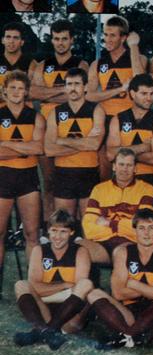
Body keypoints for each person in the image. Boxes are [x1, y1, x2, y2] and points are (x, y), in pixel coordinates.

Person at [87, 209, 153, 349]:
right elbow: (118, 293)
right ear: (134, 231)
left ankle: (125, 335)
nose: (146, 233)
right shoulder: (123, 252)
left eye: (151, 228)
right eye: (141, 228)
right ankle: (132, 336)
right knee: (94, 293)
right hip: (127, 311)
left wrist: (133, 283)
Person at [32, 20, 90, 220]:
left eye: (64, 39)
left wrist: (48, 94)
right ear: (52, 40)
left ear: (72, 40)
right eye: (56, 39)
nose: (60, 43)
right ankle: (50, 227)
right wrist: (66, 90)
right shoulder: (42, 65)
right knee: (49, 181)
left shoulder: (81, 64)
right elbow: (33, 92)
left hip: (74, 127)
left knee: (75, 181)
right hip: (48, 128)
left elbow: (81, 94)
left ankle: (78, 230)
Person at [13, 210, 93, 350]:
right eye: (54, 231)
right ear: (48, 232)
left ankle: (43, 331)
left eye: (63, 231)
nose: (57, 236)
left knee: (86, 285)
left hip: (69, 315)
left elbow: (80, 288)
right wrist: (64, 285)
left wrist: (43, 292)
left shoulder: (80, 252)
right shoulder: (39, 250)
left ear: (72, 233)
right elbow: (34, 286)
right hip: (46, 311)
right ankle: (45, 330)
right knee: (21, 284)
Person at [0, 71, 45, 296]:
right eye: (13, 88)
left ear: (27, 92)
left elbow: (38, 148)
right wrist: (24, 147)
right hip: (3, 178)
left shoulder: (35, 116)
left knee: (32, 234)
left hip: (28, 179)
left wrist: (7, 144)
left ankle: (34, 286)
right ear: (4, 90)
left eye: (21, 88)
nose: (17, 92)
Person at [86, 16, 146, 180]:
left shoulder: (138, 59)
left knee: (132, 166)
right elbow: (89, 95)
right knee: (104, 166)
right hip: (106, 119)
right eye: (105, 34)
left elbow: (141, 80)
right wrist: (118, 90)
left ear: (124, 37)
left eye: (112, 35)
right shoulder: (97, 64)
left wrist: (133, 47)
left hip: (131, 119)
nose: (107, 39)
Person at [44, 67, 105, 217]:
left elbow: (95, 145)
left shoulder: (96, 110)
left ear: (85, 87)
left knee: (89, 225)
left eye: (77, 84)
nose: (73, 88)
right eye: (69, 84)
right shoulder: (56, 112)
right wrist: (84, 143)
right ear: (65, 87)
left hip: (89, 172)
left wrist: (61, 140)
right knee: (64, 223)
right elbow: (49, 150)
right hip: (63, 174)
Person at [80, 148, 153, 264]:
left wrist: (110, 223)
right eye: (121, 164)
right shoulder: (99, 189)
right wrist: (121, 228)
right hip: (101, 242)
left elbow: (142, 228)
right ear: (114, 166)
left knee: (121, 253)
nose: (125, 169)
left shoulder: (147, 189)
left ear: (135, 168)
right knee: (78, 249)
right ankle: (88, 282)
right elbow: (88, 227)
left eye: (129, 165)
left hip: (129, 242)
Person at [106, 73, 153, 191]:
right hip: (122, 179)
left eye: (151, 94)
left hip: (149, 179)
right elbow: (110, 155)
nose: (149, 98)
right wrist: (142, 147)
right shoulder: (118, 119)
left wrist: (122, 155)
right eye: (144, 94)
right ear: (133, 94)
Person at [0, 22, 37, 96]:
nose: (11, 41)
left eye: (15, 38)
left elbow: (31, 91)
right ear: (2, 40)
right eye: (8, 37)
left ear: (22, 42)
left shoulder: (31, 64)